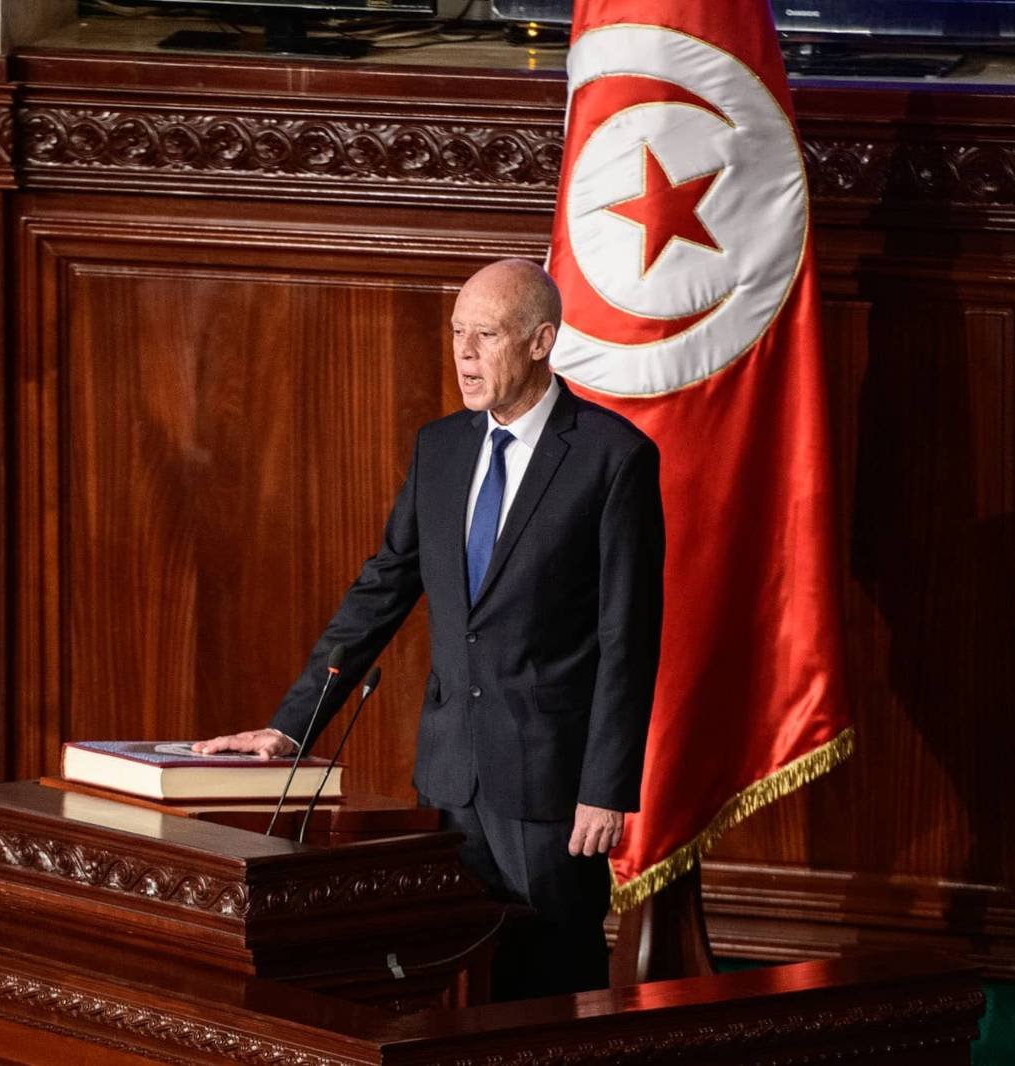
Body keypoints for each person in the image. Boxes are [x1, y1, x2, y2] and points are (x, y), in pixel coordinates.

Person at [194, 258, 664, 997]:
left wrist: (605, 789)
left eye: (487, 335)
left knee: (551, 991)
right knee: (452, 990)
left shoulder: (613, 458)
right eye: (456, 333)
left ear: (541, 341)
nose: (464, 355)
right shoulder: (440, 448)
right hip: (447, 780)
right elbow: (381, 590)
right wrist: (292, 728)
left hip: (549, 789)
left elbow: (626, 639)